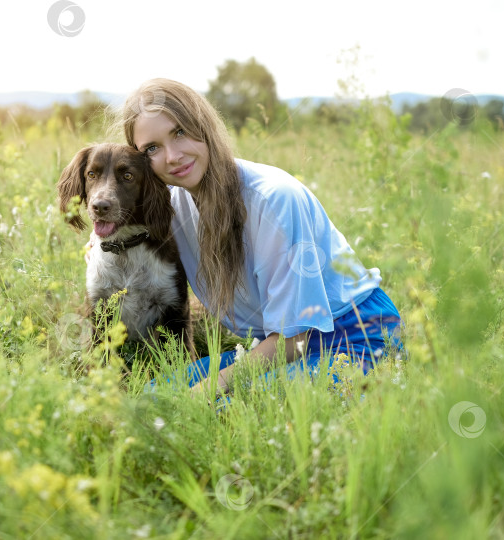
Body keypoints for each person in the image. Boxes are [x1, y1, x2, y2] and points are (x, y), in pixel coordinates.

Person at [110, 78, 403, 396]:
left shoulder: (273, 199)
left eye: (179, 131)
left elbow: (296, 338)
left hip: (356, 338)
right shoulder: (172, 207)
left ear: (204, 125)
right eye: (152, 148)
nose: (172, 156)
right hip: (274, 345)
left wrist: (210, 388)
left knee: (222, 413)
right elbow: (120, 235)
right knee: (153, 400)